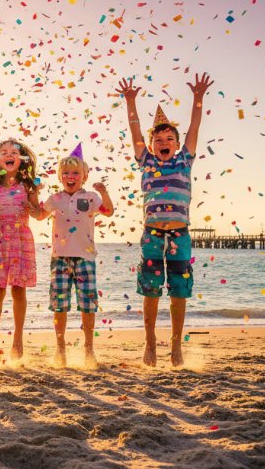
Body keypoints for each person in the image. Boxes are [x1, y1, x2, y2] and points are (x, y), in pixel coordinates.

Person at [116, 72, 214, 367]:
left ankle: (175, 345)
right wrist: (130, 102)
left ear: (177, 142)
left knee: (179, 292)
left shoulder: (185, 159)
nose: (164, 142)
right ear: (152, 144)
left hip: (180, 235)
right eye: (158, 139)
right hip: (152, 235)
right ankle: (149, 343)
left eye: (169, 138)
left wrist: (198, 99)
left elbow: (195, 127)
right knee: (150, 289)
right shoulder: (145, 161)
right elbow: (135, 132)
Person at [33, 144, 114, 367]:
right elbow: (39, 216)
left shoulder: (91, 197)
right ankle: (60, 350)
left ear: (84, 176)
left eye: (76, 173)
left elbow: (109, 212)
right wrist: (34, 194)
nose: (71, 177)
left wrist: (104, 192)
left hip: (85, 258)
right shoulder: (55, 198)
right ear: (60, 176)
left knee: (88, 305)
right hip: (59, 257)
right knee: (60, 305)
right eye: (66, 173)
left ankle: (89, 349)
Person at [0, 139, 41, 361]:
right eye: (4, 152)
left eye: (14, 152)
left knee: (18, 289)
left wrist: (30, 206)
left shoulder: (28, 185)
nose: (8, 155)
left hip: (21, 238)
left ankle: (18, 339)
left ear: (21, 159)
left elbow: (38, 213)